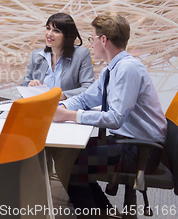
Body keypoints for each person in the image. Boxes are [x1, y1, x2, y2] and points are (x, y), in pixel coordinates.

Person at [54, 14, 167, 218]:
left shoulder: (128, 69)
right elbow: (87, 98)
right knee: (67, 154)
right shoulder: (112, 69)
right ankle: (104, 211)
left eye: (92, 39)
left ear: (103, 40)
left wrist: (70, 115)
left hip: (141, 150)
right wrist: (61, 106)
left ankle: (96, 214)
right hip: (127, 141)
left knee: (72, 164)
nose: (91, 44)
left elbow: (115, 118)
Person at [22, 12, 95, 101]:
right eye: (48, 28)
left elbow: (88, 88)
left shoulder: (81, 54)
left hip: (68, 109)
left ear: (67, 35)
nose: (49, 34)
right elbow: (24, 87)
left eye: (56, 31)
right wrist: (30, 88)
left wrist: (61, 95)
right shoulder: (36, 55)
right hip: (40, 108)